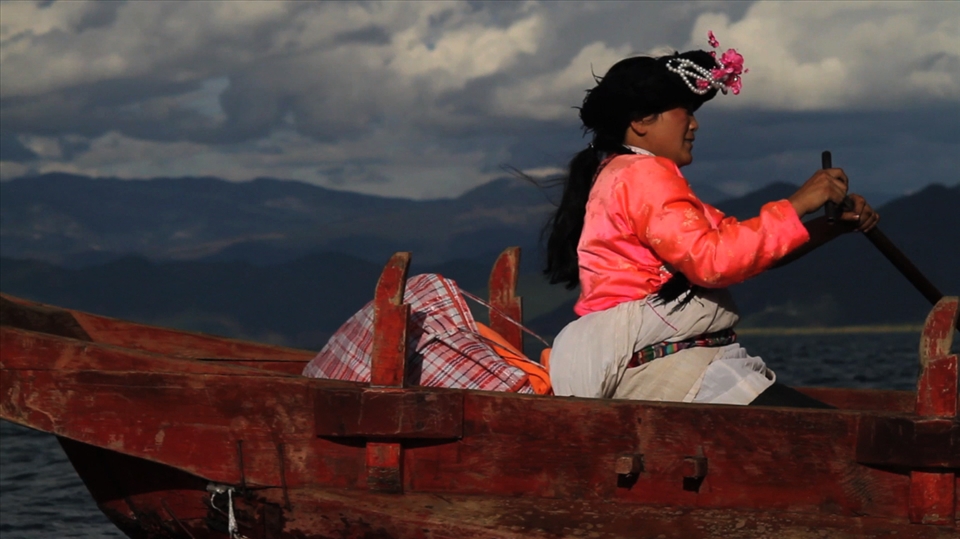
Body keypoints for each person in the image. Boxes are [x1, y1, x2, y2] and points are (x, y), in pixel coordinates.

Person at [543, 34, 879, 407]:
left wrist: (832, 226)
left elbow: (738, 248)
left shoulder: (620, 173)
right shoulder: (643, 174)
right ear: (641, 121)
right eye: (685, 111)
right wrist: (798, 203)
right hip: (669, 371)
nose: (694, 125)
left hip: (666, 366)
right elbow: (714, 262)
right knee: (838, 437)